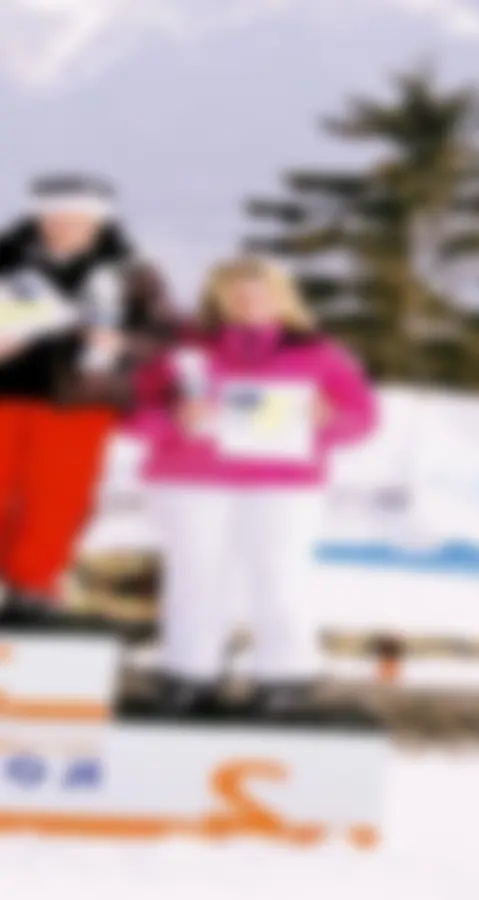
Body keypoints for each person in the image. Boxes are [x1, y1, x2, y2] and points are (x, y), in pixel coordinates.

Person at [127, 257, 378, 716]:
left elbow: (361, 418)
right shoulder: (181, 350)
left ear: (282, 297)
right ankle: (187, 673)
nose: (248, 302)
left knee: (281, 575)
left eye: (259, 292)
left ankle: (284, 675)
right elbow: (133, 413)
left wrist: (326, 422)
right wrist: (174, 419)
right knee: (194, 576)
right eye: (236, 292)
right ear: (218, 297)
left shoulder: (319, 353)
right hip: (192, 484)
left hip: (281, 485)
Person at [0, 174, 175, 622]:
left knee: (59, 497)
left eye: (76, 217)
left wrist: (121, 344)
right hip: (6, 390)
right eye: (54, 216)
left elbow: (164, 334)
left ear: (99, 219)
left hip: (80, 400)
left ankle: (34, 585)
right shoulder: (6, 255)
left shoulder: (133, 269)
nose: (63, 225)